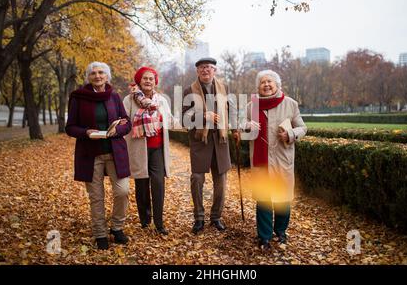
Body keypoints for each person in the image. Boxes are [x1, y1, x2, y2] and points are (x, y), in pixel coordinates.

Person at [237, 69, 307, 249]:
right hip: (261, 162)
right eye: (263, 82)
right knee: (264, 198)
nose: (266, 85)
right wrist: (246, 125)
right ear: (258, 87)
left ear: (277, 85)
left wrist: (291, 134)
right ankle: (264, 237)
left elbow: (303, 128)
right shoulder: (250, 106)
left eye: (270, 82)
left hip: (282, 160)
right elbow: (239, 124)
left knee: (283, 198)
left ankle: (281, 231)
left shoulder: (290, 104)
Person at [66, 61, 131, 250]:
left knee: (122, 191)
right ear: (89, 76)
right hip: (90, 154)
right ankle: (100, 233)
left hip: (114, 153)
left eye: (101, 72)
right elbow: (70, 127)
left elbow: (127, 123)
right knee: (96, 196)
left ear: (107, 76)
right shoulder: (78, 97)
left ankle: (117, 228)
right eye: (93, 73)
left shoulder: (114, 97)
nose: (97, 76)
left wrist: (117, 130)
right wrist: (86, 132)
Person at [182, 57, 238, 234]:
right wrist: (202, 117)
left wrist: (235, 129)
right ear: (197, 71)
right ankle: (199, 218)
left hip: (220, 141)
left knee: (221, 181)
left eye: (209, 67)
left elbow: (231, 111)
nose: (205, 70)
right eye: (202, 68)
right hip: (200, 142)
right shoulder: (188, 90)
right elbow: (184, 120)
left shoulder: (224, 88)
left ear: (215, 70)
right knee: (197, 179)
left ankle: (216, 217)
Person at [123, 66, 174, 235]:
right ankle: (145, 221)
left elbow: (171, 120)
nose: (148, 81)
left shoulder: (162, 101)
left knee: (158, 184)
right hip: (139, 148)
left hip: (157, 148)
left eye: (151, 78)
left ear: (155, 82)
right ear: (139, 80)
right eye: (144, 78)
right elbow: (123, 121)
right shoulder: (129, 100)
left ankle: (159, 224)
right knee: (142, 184)